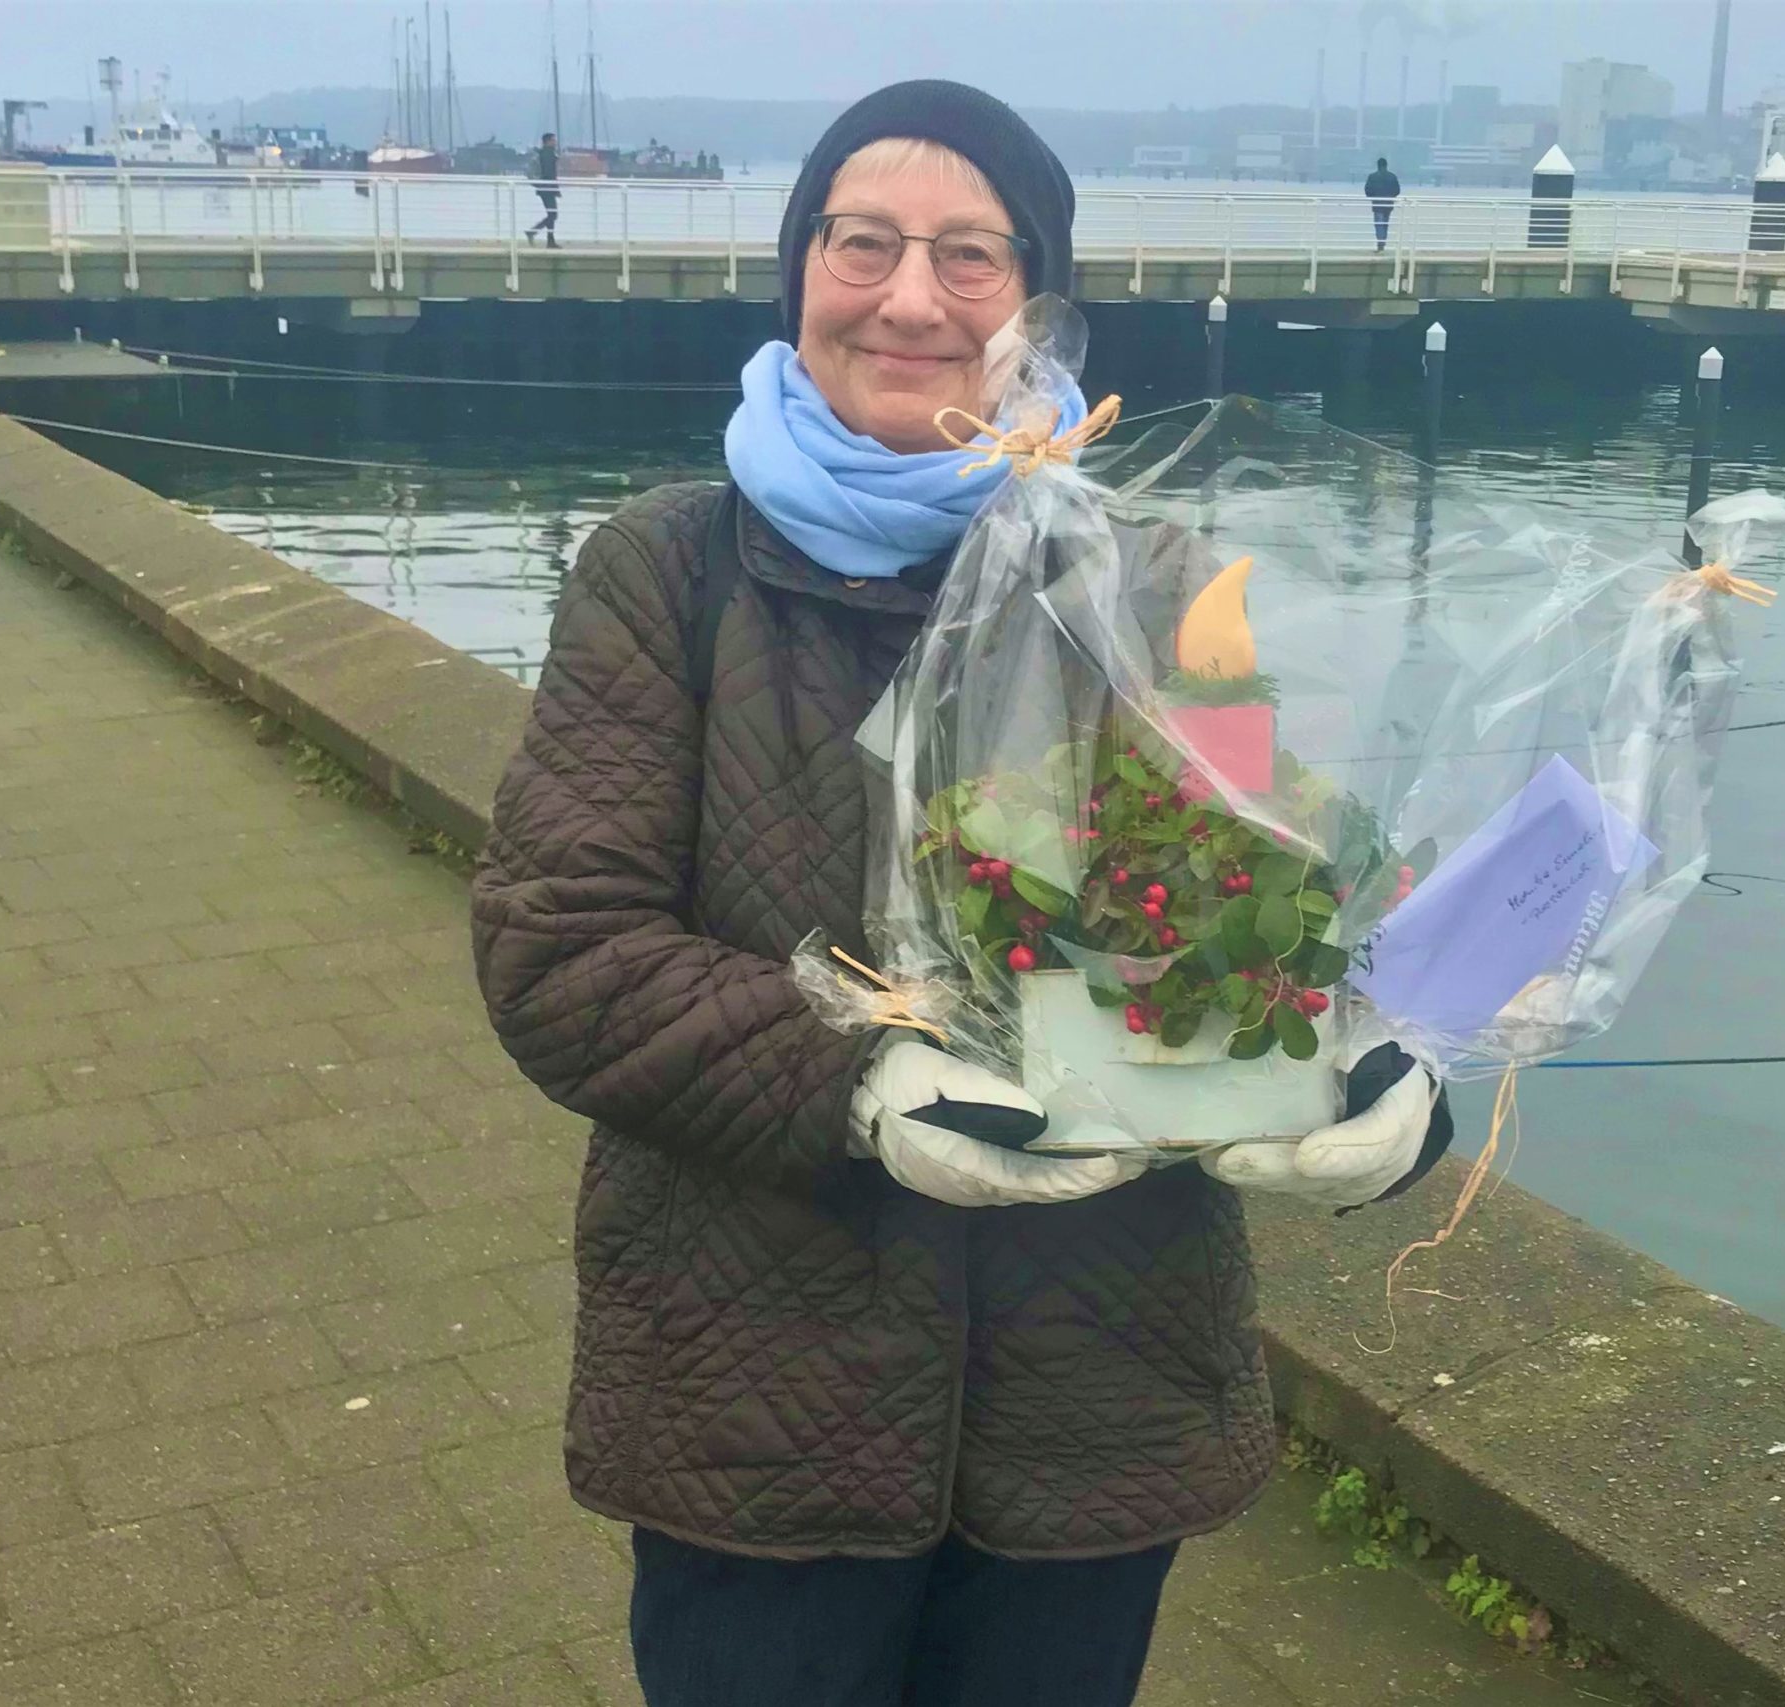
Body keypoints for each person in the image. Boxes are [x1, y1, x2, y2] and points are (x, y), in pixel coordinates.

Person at [473, 79, 1453, 1707]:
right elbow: (561, 952)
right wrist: (859, 1077)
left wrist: (1373, 1038)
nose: (911, 295)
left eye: (969, 254)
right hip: (757, 1402)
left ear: (1036, 302)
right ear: (802, 271)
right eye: (864, 243)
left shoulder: (1146, 578)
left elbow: (1275, 886)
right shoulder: (666, 570)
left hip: (1096, 1399)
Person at [529, 131, 562, 246]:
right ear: (548, 141)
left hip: (544, 188)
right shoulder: (548, 154)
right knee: (553, 214)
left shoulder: (543, 153)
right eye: (553, 140)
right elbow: (549, 173)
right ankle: (533, 232)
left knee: (551, 214)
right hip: (548, 188)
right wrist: (554, 188)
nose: (555, 142)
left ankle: (550, 240)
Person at [1364, 155, 1402, 250]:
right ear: (1386, 165)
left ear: (1377, 165)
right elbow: (1397, 190)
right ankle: (1383, 241)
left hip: (1377, 204)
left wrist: (1373, 196)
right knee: (1385, 224)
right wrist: (1390, 196)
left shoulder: (1372, 177)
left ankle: (1380, 243)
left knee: (1379, 224)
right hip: (1388, 204)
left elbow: (1367, 190)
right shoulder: (1392, 176)